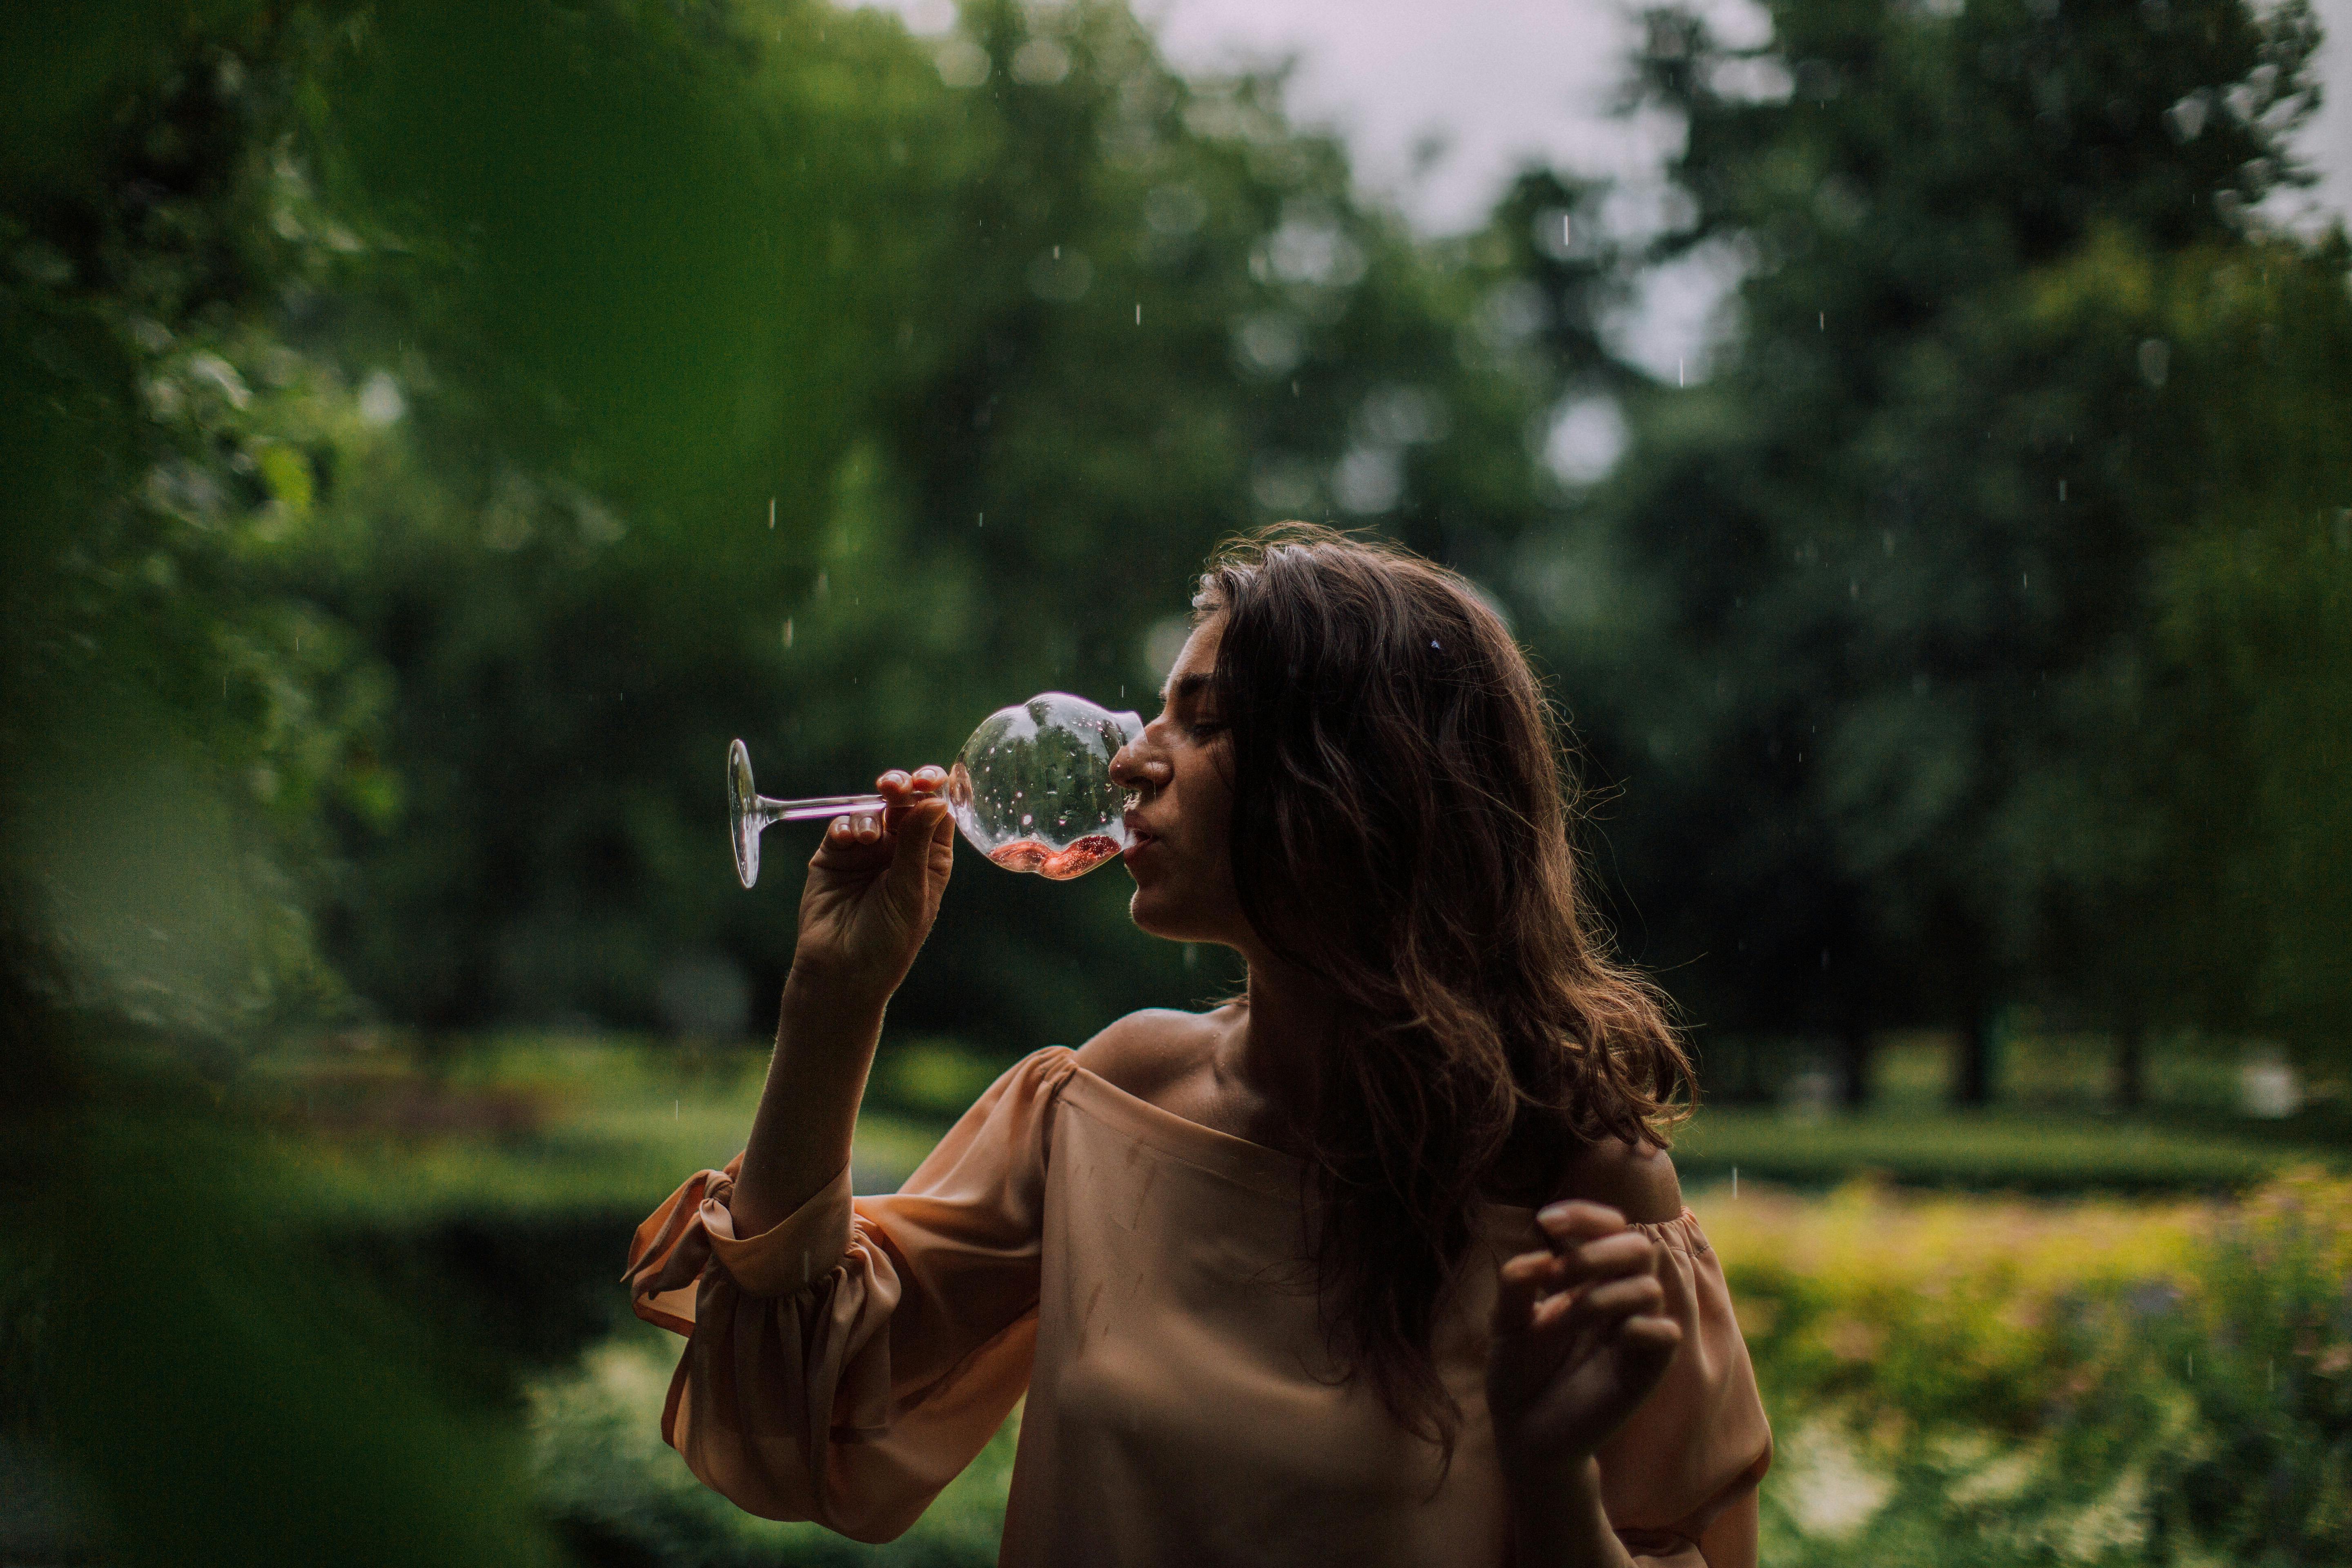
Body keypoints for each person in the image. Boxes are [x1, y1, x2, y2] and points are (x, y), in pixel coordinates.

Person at [627, 526, 1771, 1567]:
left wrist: (1550, 1474)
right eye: (1154, 714)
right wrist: (833, 998)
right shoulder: (1109, 1103)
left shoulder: (1582, 1185)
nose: (1130, 763)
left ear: (1361, 778)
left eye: (1205, 720)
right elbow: (790, 1420)